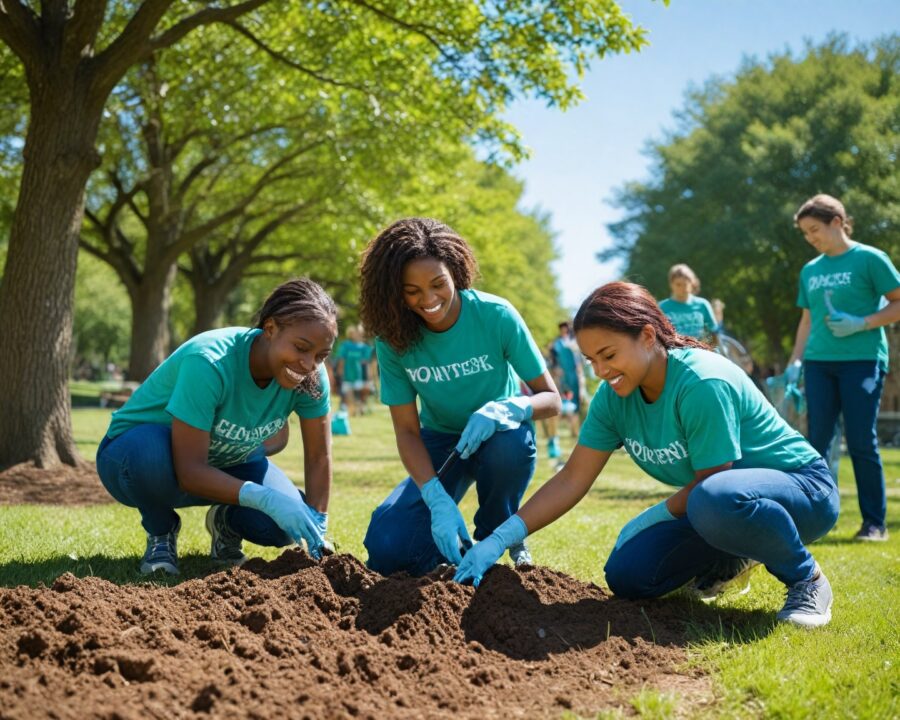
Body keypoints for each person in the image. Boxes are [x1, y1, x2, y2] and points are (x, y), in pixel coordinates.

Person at [455, 282, 841, 628]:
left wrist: (655, 514)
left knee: (714, 499)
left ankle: (807, 580)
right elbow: (573, 478)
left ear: (646, 335)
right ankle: (733, 558)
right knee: (630, 575)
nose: (601, 371)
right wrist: (500, 537)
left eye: (608, 354)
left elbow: (712, 481)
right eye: (591, 361)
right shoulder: (613, 399)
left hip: (803, 491)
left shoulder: (701, 382)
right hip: (722, 504)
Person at [359, 217, 561, 575]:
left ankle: (499, 533)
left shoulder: (496, 315)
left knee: (510, 449)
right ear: (395, 291)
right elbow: (407, 431)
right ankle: (454, 552)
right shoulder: (393, 338)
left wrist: (510, 408)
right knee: (388, 548)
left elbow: (551, 399)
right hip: (441, 444)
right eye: (412, 291)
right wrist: (436, 499)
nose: (428, 299)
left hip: (499, 436)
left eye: (438, 284)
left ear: (455, 272)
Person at [95, 278, 337, 575]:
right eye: (301, 348)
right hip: (138, 458)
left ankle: (226, 521)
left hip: (227, 463)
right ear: (271, 329)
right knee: (148, 456)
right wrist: (264, 498)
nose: (309, 363)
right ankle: (161, 531)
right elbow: (190, 471)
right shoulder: (210, 361)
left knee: (284, 526)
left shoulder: (311, 376)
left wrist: (317, 526)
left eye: (320, 356)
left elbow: (318, 457)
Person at [786, 194, 900, 542]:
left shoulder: (870, 259)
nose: (811, 238)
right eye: (805, 233)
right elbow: (807, 320)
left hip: (862, 360)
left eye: (815, 229)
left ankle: (874, 524)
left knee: (861, 439)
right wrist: (796, 360)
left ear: (837, 222)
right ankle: (811, 520)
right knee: (816, 441)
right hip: (819, 362)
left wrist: (862, 322)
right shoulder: (811, 269)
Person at [546, 322, 584, 459]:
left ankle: (579, 440)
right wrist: (556, 370)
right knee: (557, 409)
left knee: (576, 409)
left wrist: (581, 382)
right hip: (561, 381)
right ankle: (553, 441)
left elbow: (579, 363)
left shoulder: (575, 344)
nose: (564, 331)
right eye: (561, 329)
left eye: (565, 329)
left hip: (574, 380)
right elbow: (552, 361)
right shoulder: (556, 345)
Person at [659, 264, 719, 344]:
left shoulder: (702, 304)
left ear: (692, 283)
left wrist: (706, 347)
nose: (682, 288)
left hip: (700, 351)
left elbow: (713, 332)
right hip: (673, 352)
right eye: (678, 284)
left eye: (685, 284)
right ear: (671, 284)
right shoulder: (661, 307)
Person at [336, 325, 376, 416]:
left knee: (366, 389)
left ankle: (361, 406)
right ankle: (352, 409)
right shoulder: (346, 345)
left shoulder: (366, 348)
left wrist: (369, 377)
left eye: (361, 333)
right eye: (357, 332)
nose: (359, 334)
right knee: (349, 397)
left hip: (361, 376)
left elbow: (367, 363)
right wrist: (340, 372)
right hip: (347, 375)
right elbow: (341, 360)